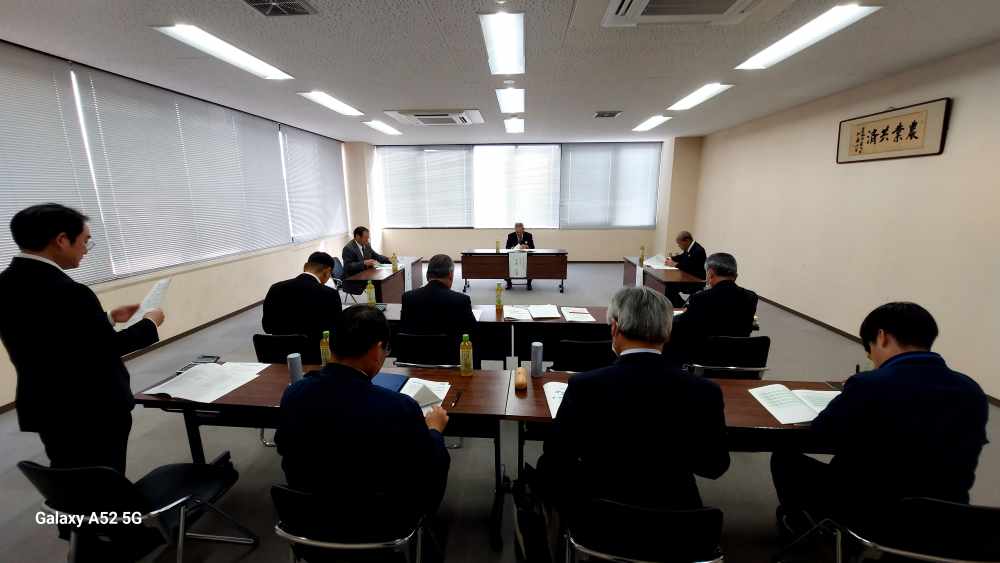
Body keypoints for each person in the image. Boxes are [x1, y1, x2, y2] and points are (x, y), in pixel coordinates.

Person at [535, 286, 730, 556]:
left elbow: (557, 454)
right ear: (668, 333)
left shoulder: (585, 386)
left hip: (603, 521)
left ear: (614, 328)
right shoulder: (706, 391)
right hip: (679, 524)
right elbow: (715, 466)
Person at [770, 302, 988, 537]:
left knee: (784, 457)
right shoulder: (971, 390)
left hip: (872, 514)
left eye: (869, 348)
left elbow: (821, 435)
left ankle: (800, 524)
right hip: (945, 517)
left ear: (882, 337)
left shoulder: (868, 384)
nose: (872, 357)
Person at [0, 203, 164, 474]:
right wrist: (150, 323)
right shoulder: (70, 292)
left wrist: (107, 318)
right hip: (92, 408)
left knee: (70, 475)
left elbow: (54, 337)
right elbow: (107, 348)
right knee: (102, 478)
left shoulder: (5, 283)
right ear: (62, 240)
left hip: (46, 403)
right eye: (85, 241)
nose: (86, 250)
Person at [275, 305, 451, 536]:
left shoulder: (293, 394)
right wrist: (435, 430)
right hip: (380, 524)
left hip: (308, 519)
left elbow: (284, 447)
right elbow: (427, 467)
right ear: (377, 350)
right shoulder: (399, 407)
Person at [670, 253, 758, 358]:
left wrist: (675, 316)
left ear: (710, 274)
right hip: (737, 357)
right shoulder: (751, 297)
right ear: (735, 276)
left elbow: (683, 325)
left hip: (705, 356)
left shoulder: (701, 298)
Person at [261, 251, 342, 362]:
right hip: (316, 357)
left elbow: (267, 327)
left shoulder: (275, 288)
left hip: (279, 356)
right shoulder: (329, 294)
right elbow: (336, 331)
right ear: (327, 272)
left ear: (305, 267)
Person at [400, 254, 477, 341]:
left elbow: (404, 330)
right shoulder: (461, 300)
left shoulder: (408, 297)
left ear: (427, 275)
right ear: (450, 275)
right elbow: (474, 333)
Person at [664, 230, 707, 307]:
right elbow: (682, 257)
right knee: (668, 284)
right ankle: (678, 305)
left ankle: (678, 306)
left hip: (695, 281)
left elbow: (690, 267)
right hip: (687, 278)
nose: (679, 246)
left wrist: (675, 264)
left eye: (679, 243)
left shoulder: (698, 250)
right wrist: (671, 258)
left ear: (687, 241)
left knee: (670, 286)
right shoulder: (690, 248)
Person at [342, 226, 390, 294]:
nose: (367, 240)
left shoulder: (366, 244)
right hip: (353, 278)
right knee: (378, 281)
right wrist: (364, 263)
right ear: (358, 236)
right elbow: (348, 266)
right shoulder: (348, 248)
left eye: (368, 237)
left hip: (365, 274)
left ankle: (383, 298)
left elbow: (376, 256)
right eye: (366, 238)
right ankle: (377, 299)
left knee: (384, 277)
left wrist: (388, 259)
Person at [505, 222, 535, 290]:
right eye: (517, 232)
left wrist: (527, 246)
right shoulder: (510, 235)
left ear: (523, 230)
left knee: (531, 263)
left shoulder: (529, 235)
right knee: (506, 263)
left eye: (520, 232)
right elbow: (507, 247)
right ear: (515, 230)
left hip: (525, 256)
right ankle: (509, 283)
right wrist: (513, 247)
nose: (518, 233)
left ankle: (529, 283)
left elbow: (533, 247)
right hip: (513, 256)